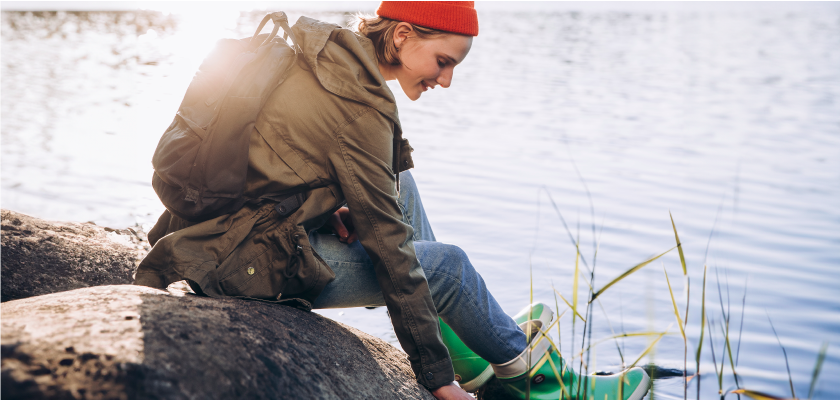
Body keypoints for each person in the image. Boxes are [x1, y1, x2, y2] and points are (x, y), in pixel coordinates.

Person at [135, 2, 651, 399]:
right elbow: (390, 253)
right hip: (245, 263)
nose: (446, 79)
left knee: (399, 184)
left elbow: (271, 160)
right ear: (402, 35)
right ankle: (540, 383)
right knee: (447, 267)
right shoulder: (360, 108)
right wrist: (434, 377)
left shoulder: (322, 56)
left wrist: (327, 204)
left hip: (239, 232)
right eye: (443, 61)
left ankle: (469, 348)